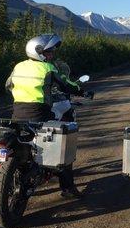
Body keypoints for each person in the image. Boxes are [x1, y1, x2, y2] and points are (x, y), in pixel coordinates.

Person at [5, 33, 87, 198]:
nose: (51, 55)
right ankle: (67, 188)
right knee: (63, 145)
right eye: (49, 52)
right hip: (40, 114)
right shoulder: (48, 68)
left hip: (17, 113)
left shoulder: (19, 66)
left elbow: (8, 85)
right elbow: (66, 85)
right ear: (39, 52)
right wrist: (81, 88)